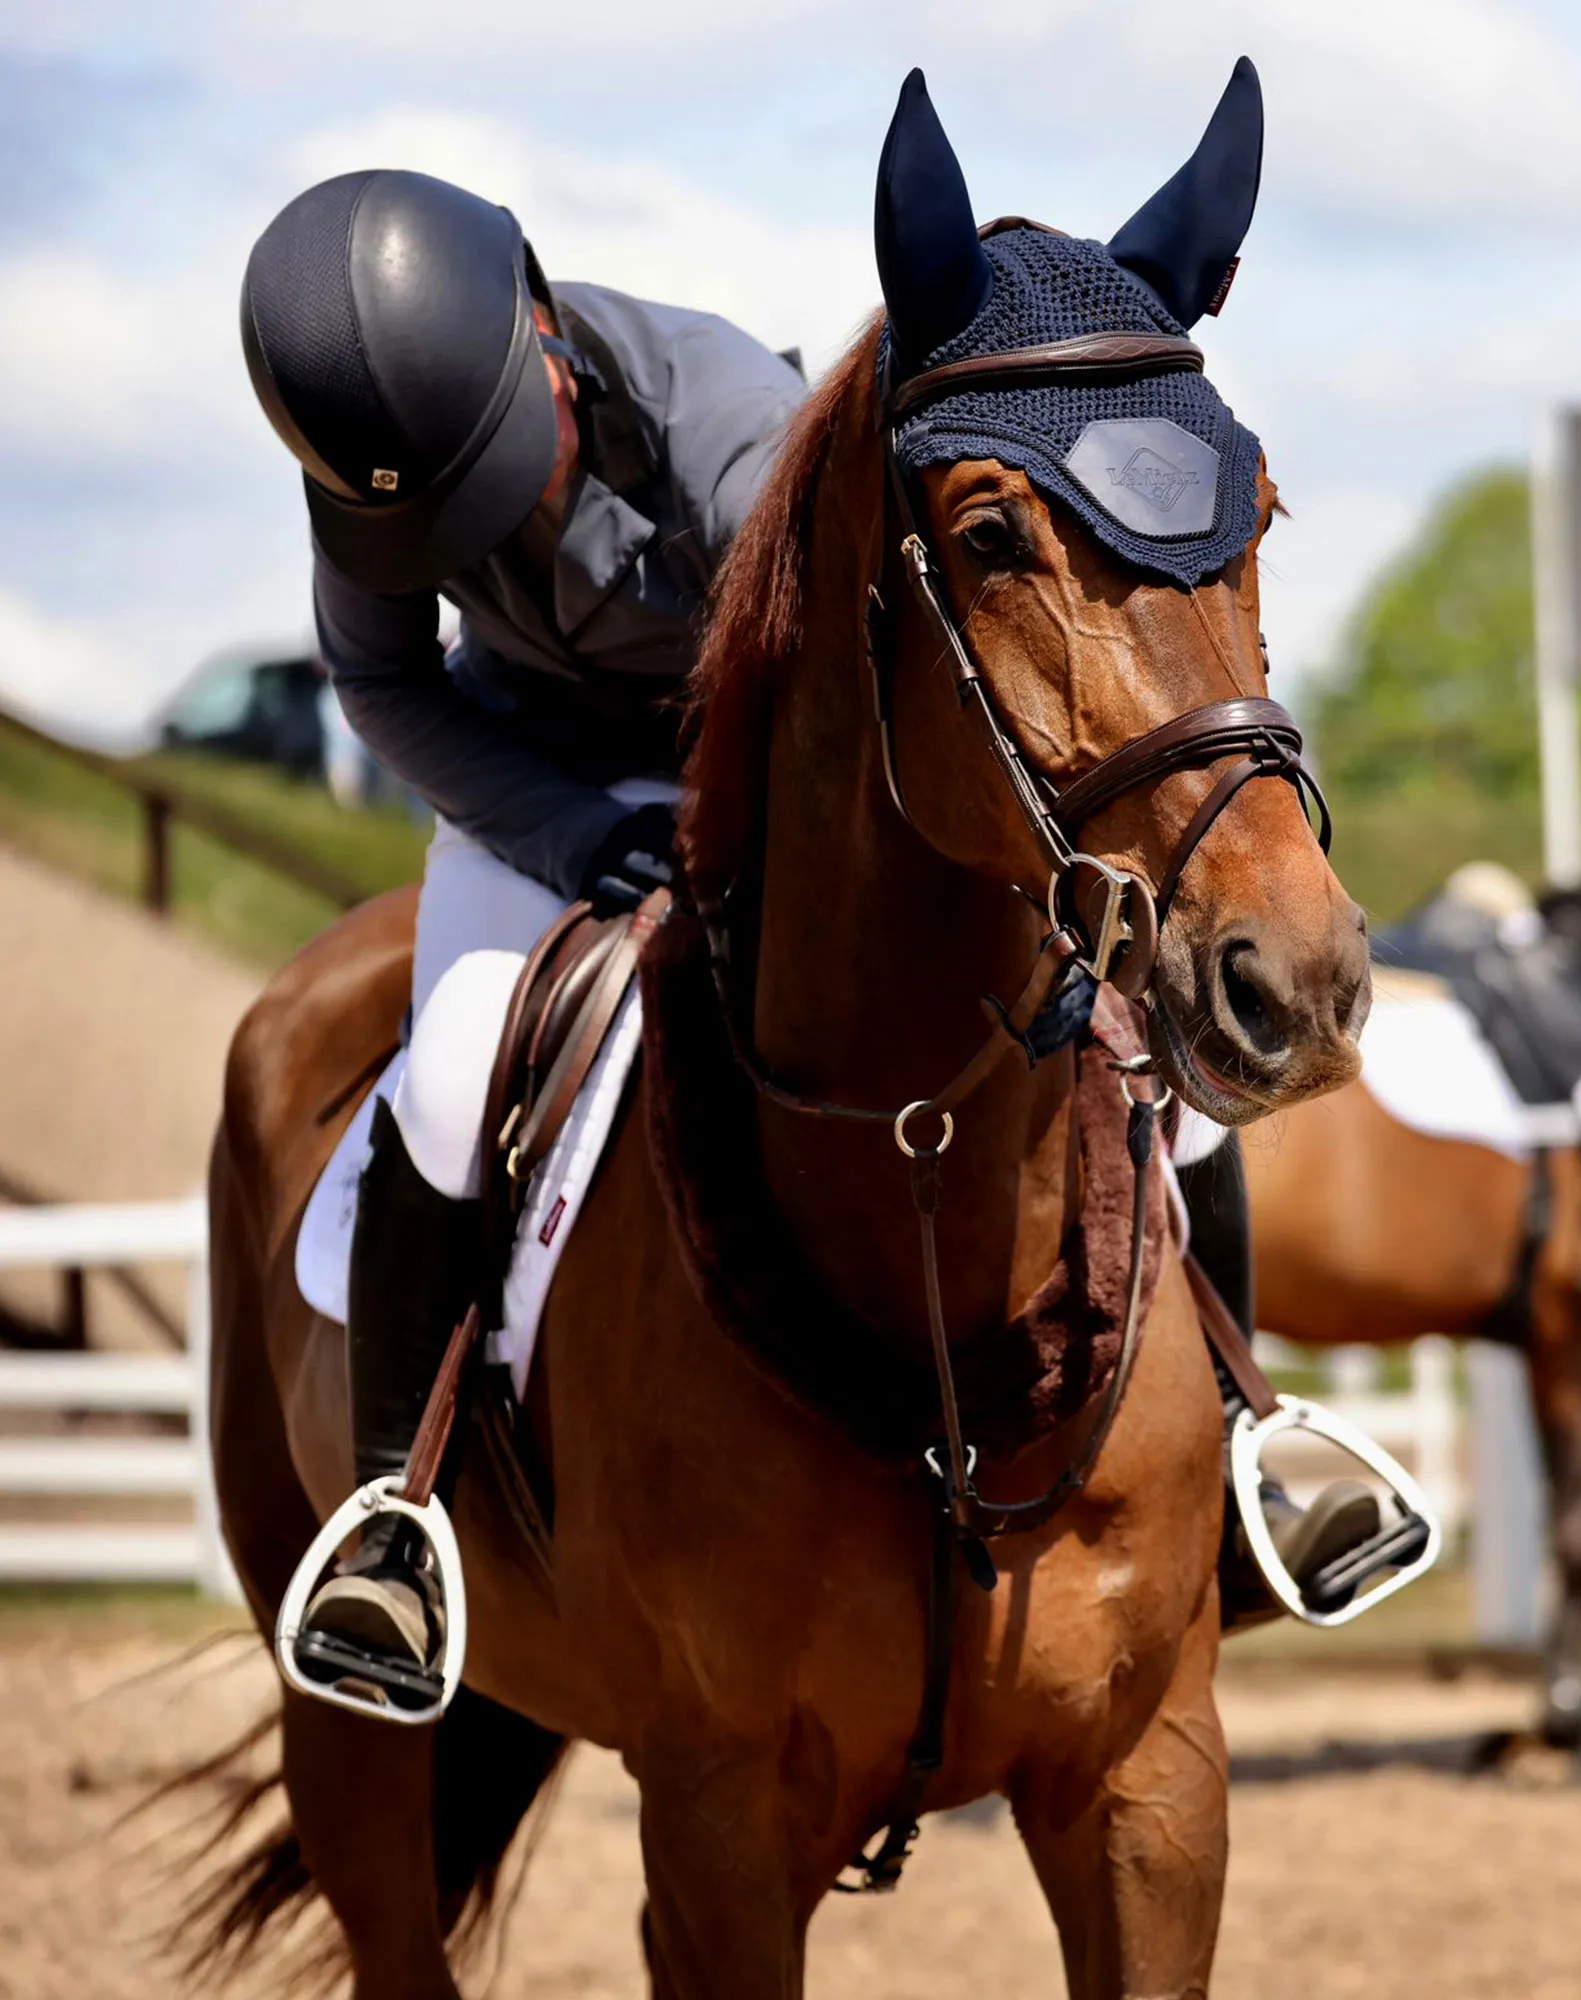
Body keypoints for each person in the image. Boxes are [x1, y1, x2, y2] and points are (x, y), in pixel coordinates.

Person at [242, 167, 1377, 1694]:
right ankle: (397, 1513)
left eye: (495, 467)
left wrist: (736, 851)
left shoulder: (718, 418)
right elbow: (387, 686)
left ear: (543, 332)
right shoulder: (375, 474)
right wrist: (574, 833)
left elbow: (849, 700)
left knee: (1139, 1060)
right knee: (448, 1075)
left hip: (766, 777)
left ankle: (1243, 1433)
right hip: (538, 794)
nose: (484, 520)